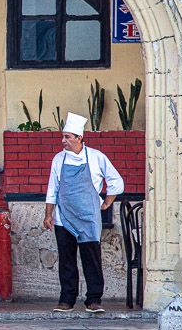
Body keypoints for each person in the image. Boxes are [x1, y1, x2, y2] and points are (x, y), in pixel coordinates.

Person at [43, 112, 124, 314]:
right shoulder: (58, 160)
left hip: (89, 218)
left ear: (80, 138)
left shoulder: (97, 157)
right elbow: (52, 189)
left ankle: (94, 299)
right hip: (64, 217)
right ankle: (66, 299)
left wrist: (107, 202)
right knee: (67, 260)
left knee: (92, 259)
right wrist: (48, 215)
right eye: (63, 137)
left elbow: (116, 181)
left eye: (67, 137)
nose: (63, 141)